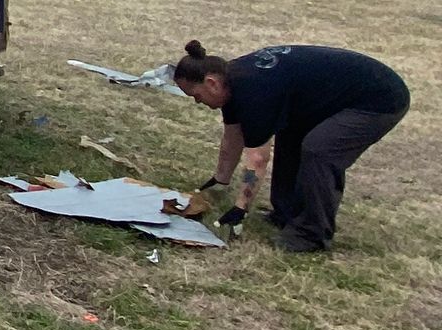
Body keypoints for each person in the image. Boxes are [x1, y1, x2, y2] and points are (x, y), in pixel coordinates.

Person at [172, 39, 410, 253]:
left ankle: (311, 234)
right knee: (290, 135)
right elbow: (233, 137)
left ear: (211, 83)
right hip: (331, 97)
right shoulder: (230, 81)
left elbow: (257, 160)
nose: (197, 102)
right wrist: (220, 180)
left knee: (320, 151)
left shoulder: (254, 93)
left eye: (196, 96)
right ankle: (287, 213)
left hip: (379, 99)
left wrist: (240, 208)